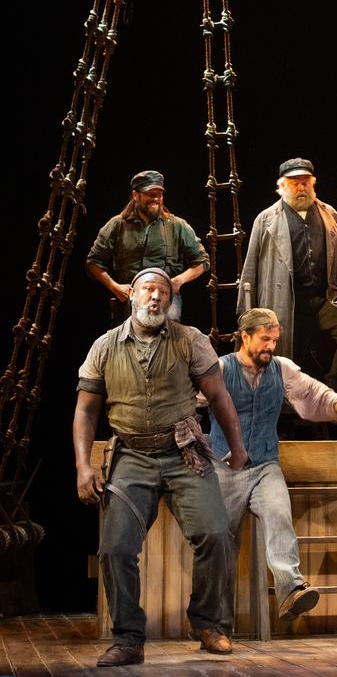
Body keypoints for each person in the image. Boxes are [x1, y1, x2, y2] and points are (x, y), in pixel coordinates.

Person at [72, 268, 249, 667]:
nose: (155, 297)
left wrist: (237, 448)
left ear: (171, 301)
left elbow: (218, 396)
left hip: (183, 452)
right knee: (115, 549)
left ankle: (207, 623)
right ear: (132, 295)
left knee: (216, 534)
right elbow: (85, 411)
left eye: (163, 292)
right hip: (132, 455)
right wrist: (83, 466)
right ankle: (128, 638)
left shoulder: (190, 340)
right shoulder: (104, 347)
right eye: (148, 290)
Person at [206, 308, 337, 626]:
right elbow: (186, 400)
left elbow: (312, 391)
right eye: (265, 339)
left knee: (279, 514)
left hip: (264, 465)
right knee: (221, 540)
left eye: (274, 340)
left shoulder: (281, 368)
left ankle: (291, 590)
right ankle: (215, 621)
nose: (271, 346)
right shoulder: (221, 368)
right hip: (224, 466)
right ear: (244, 336)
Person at [239, 157, 337, 396]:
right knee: (286, 354)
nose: (301, 187)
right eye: (294, 182)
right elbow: (250, 269)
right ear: (282, 185)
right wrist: (246, 313)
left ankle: (330, 392)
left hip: (324, 299)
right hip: (285, 302)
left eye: (305, 182)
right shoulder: (266, 219)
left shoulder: (329, 214)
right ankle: (287, 405)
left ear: (313, 184)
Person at [86, 170, 209, 323]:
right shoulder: (117, 225)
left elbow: (202, 261)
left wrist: (177, 281)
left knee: (168, 330)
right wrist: (115, 287)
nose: (156, 199)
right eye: (150, 194)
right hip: (130, 297)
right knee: (128, 332)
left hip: (165, 296)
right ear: (135, 195)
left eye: (159, 194)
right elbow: (94, 262)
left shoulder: (177, 225)